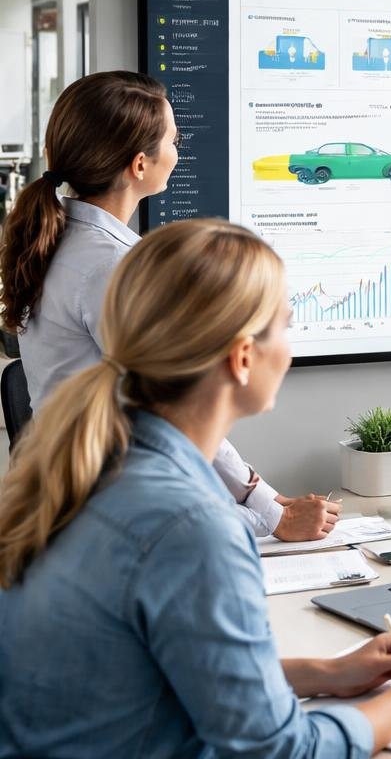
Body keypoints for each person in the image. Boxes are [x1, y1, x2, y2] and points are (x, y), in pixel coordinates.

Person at [0, 219, 391, 759]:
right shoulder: (189, 523)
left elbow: (142, 671)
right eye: (285, 323)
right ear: (242, 355)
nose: (293, 341)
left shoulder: (88, 464)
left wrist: (324, 673)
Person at [0, 71, 338, 541]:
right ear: (140, 164)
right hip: (117, 510)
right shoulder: (112, 266)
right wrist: (269, 511)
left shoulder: (66, 243)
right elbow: (178, 405)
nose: (179, 150)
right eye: (174, 139)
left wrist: (259, 497)